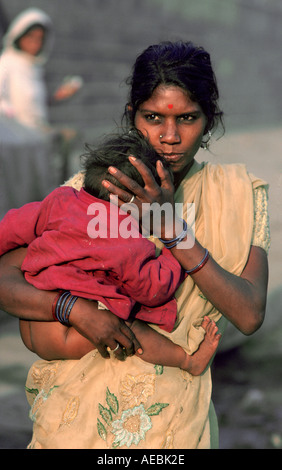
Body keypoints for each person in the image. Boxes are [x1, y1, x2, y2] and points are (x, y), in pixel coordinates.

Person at [0, 41, 270, 449]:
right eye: (153, 117)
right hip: (74, 421)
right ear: (132, 117)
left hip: (176, 424)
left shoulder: (238, 194)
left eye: (188, 119)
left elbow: (249, 314)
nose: (169, 136)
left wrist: (172, 231)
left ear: (209, 120)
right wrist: (72, 308)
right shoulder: (95, 190)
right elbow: (8, 276)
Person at [0, 128, 221, 373]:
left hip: (32, 320)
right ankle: (187, 361)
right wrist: (172, 244)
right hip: (68, 334)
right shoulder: (125, 243)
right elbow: (154, 289)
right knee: (131, 330)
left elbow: (12, 226)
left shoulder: (60, 200)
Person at [0, 8, 81, 131]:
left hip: (35, 137)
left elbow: (33, 105)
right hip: (15, 136)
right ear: (19, 34)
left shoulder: (34, 68)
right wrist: (10, 116)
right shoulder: (7, 62)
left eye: (40, 39)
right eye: (30, 37)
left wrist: (57, 97)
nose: (35, 43)